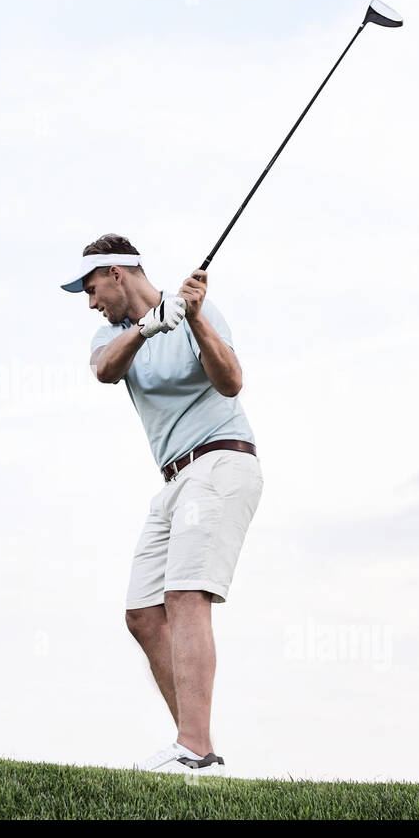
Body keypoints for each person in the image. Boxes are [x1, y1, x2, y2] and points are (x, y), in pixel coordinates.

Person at [62, 233, 263, 776]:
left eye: (90, 286)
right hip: (173, 479)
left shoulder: (200, 310)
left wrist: (194, 318)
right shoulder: (111, 337)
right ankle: (197, 747)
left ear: (117, 272)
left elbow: (231, 382)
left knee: (184, 596)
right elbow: (105, 370)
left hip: (220, 461)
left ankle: (194, 751)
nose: (89, 301)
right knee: (144, 613)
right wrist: (151, 325)